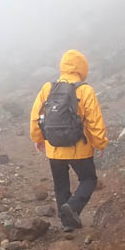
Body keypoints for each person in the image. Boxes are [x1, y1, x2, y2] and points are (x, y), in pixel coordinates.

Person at [30, 49, 108, 231]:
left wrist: (38, 137)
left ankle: (67, 224)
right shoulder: (85, 90)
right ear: (82, 67)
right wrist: (100, 142)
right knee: (88, 179)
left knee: (61, 185)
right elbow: (94, 120)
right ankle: (72, 208)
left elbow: (36, 116)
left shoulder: (48, 88)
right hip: (79, 147)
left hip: (54, 147)